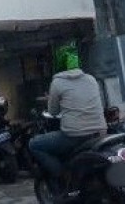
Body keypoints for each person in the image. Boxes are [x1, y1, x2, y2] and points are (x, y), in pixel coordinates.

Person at [28, 47, 106, 187]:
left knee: (34, 144)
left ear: (59, 65)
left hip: (75, 135)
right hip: (100, 132)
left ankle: (63, 175)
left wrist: (51, 99)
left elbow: (52, 111)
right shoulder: (91, 79)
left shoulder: (57, 83)